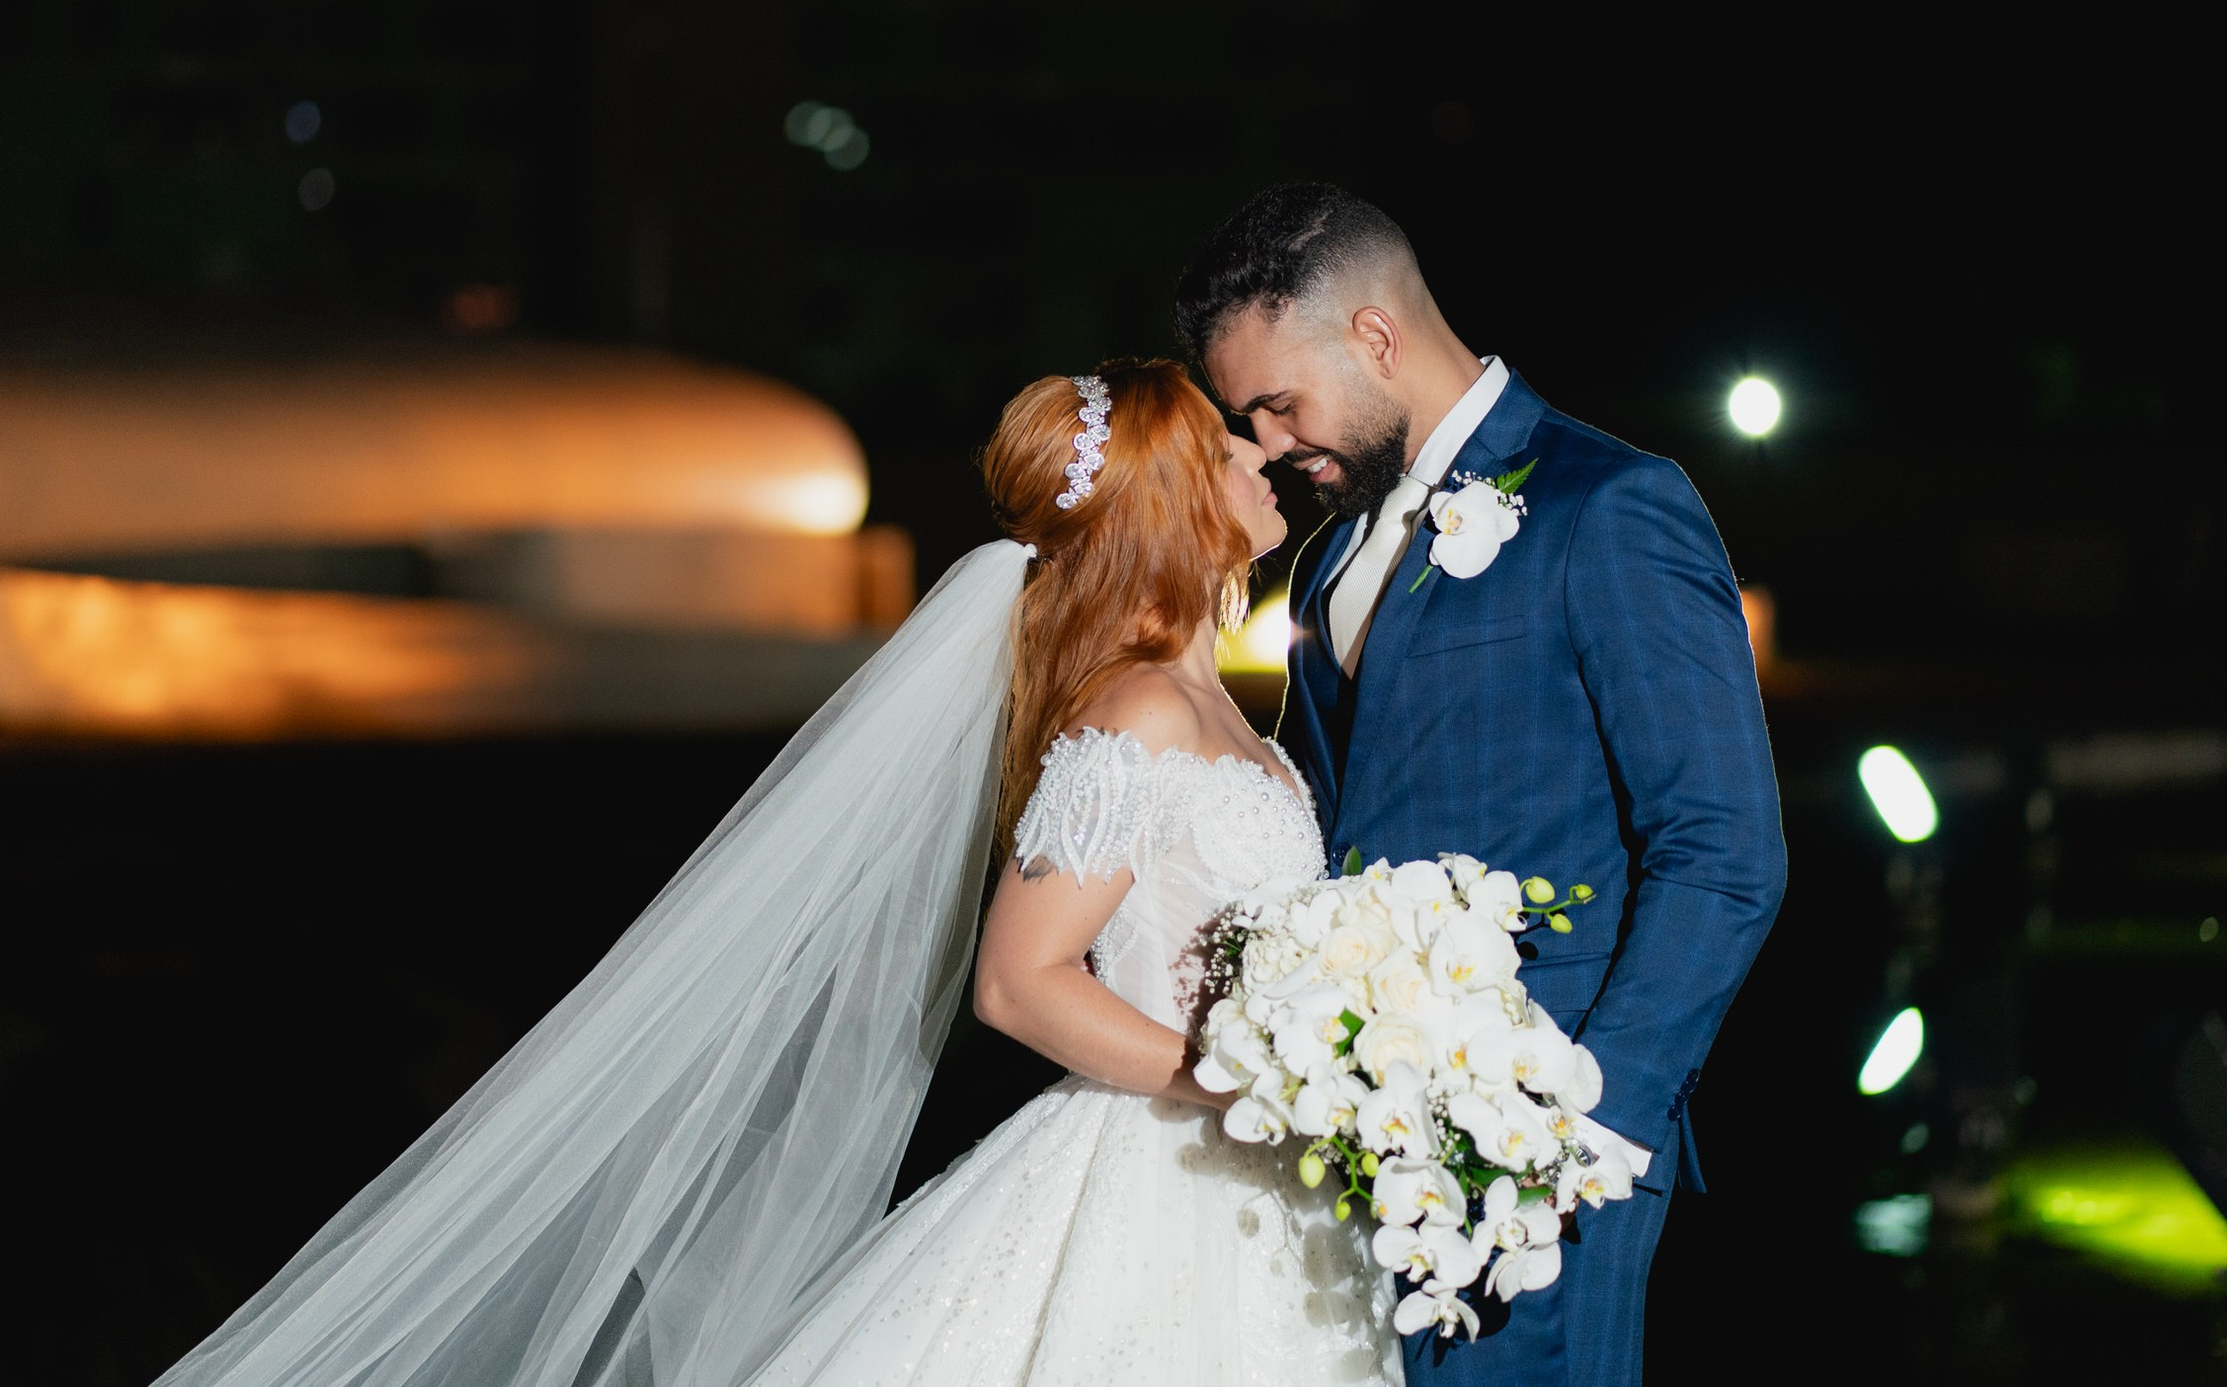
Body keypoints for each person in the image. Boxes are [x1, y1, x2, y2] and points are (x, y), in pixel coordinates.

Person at [154, 359, 1401, 1387]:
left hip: (1263, 1172)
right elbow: (1020, 983)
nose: (1260, 458)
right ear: (1177, 501)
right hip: (1168, 1166)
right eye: (1228, 451)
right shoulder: (1137, 715)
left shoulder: (1221, 708)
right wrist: (1239, 1078)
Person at [1178, 183, 1787, 1387]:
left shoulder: (1609, 506)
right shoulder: (1326, 561)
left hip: (1543, 1142)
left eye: (1276, 404)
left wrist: (1588, 1121)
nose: (1265, 445)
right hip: (1356, 1129)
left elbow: (1721, 850)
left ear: (1374, 338)